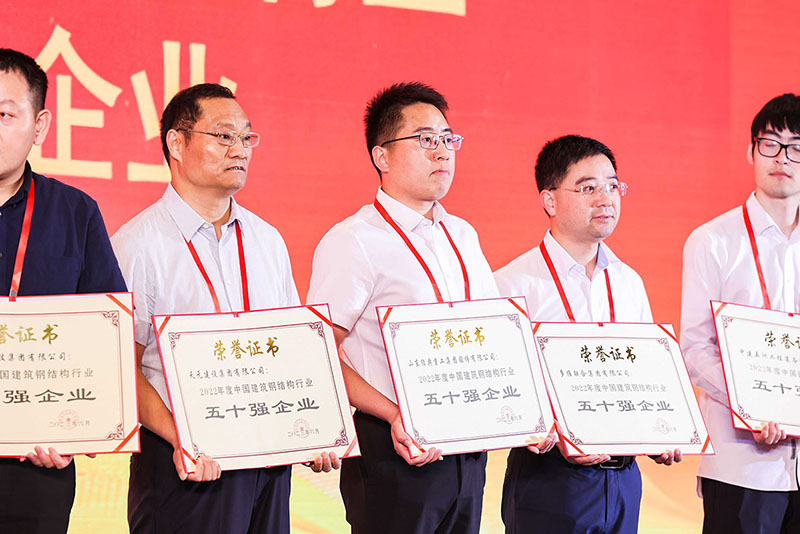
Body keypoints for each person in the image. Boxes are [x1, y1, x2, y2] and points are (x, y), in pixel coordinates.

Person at [112, 83, 339, 534]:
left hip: (269, 460)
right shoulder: (137, 245)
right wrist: (182, 436)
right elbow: (121, 366)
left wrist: (313, 428)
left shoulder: (266, 239)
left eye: (246, 137)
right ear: (176, 143)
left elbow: (292, 348)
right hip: (185, 465)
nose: (239, 150)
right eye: (223, 136)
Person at [307, 82, 505, 534]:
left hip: (467, 449)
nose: (442, 152)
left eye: (448, 139)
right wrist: (394, 415)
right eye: (425, 139)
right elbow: (317, 350)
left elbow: (493, 334)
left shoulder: (463, 235)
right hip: (393, 450)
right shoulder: (353, 240)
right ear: (382, 156)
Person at [495, 135, 681, 534]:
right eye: (588, 188)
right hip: (550, 479)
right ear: (549, 200)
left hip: (624, 478)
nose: (606, 199)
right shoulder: (511, 285)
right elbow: (504, 387)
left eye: (613, 186)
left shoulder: (629, 282)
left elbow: (647, 376)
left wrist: (663, 429)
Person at [0, 48, 127, 533]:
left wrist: (76, 424)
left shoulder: (75, 213)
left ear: (40, 126)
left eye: (5, 114)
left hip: (38, 466)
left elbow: (105, 338)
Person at [681, 93, 800, 533]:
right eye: (770, 144)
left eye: (796, 147)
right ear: (751, 151)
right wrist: (753, 407)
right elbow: (696, 348)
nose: (782, 157)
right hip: (741, 464)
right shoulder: (712, 240)